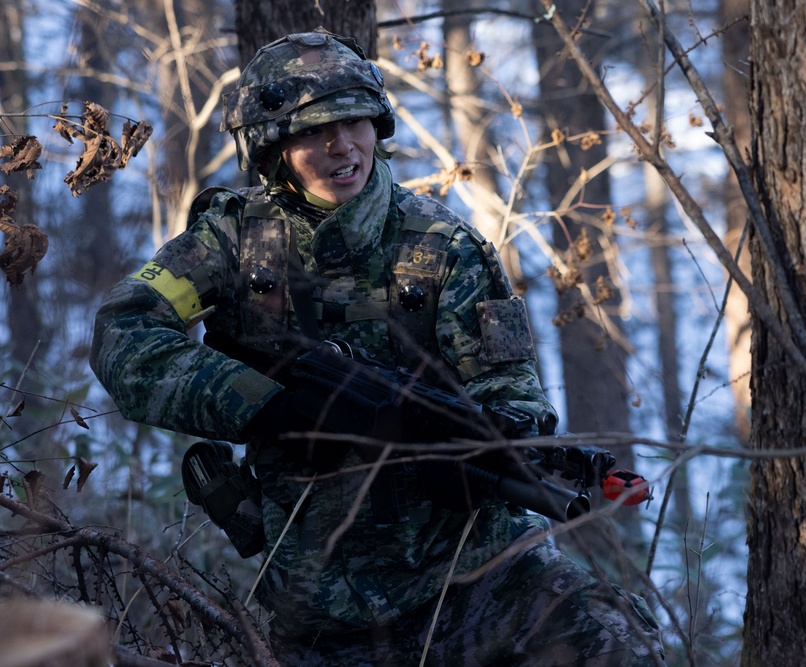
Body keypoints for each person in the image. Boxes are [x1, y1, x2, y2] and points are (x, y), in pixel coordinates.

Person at [91, 28, 664, 665]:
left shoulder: (443, 246)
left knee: (611, 634)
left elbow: (509, 390)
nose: (341, 146)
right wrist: (265, 405)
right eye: (314, 132)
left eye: (355, 123)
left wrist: (483, 445)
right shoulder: (231, 243)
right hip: (325, 605)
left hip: (475, 579)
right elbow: (124, 334)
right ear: (274, 148)